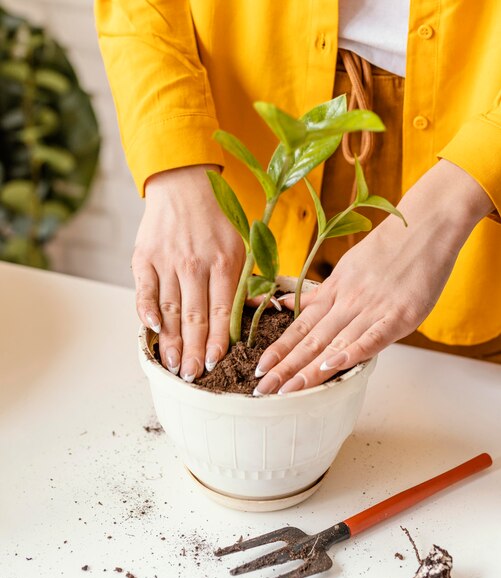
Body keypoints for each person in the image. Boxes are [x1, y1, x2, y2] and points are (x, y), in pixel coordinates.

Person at [95, 1, 501, 395]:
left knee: (454, 406)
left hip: (470, 142)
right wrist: (175, 164)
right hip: (248, 124)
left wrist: (450, 203)